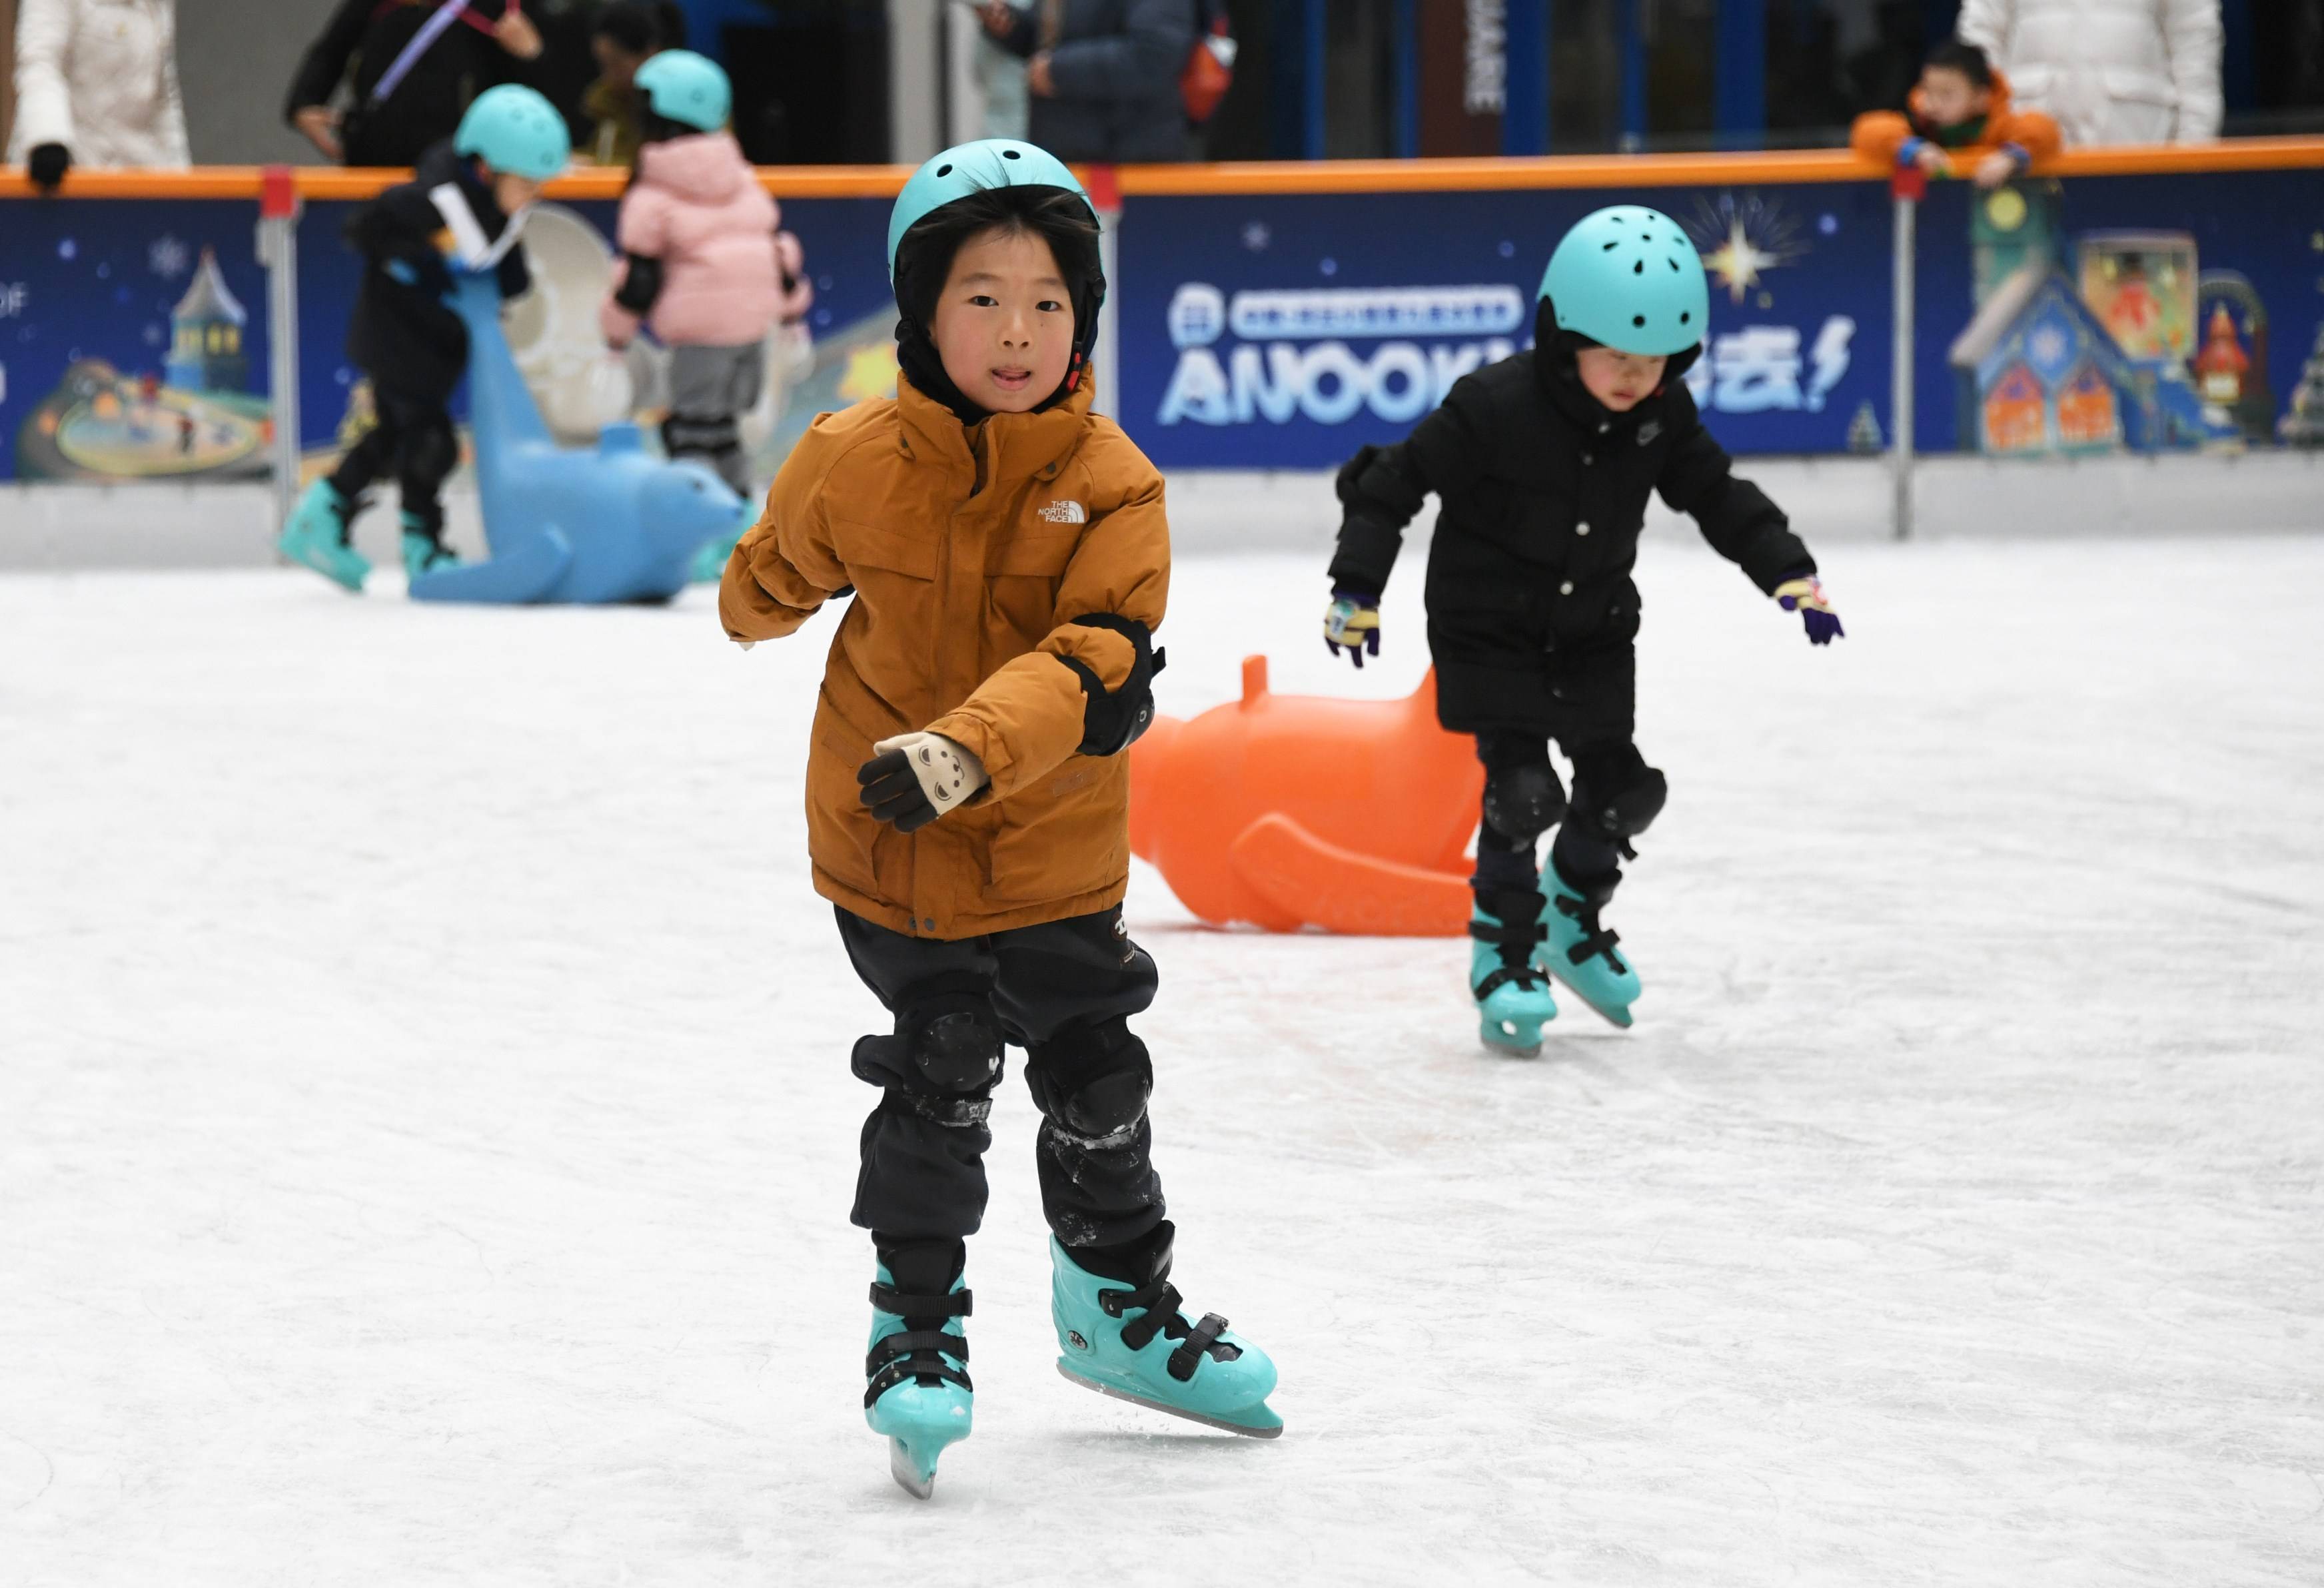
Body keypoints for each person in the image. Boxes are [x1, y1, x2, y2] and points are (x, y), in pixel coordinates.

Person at [717, 138, 1281, 1498]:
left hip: (1048, 840)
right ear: (922, 312)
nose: (1017, 331)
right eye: (980, 298)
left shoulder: (1116, 482)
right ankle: (915, 1331)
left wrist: (969, 753)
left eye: (1046, 302)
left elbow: (1097, 657)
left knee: (1096, 1074)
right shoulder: (854, 456)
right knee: (946, 1054)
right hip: (890, 845)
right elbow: (765, 586)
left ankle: (1116, 1311)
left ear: (1082, 317)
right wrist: (765, 580)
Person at [1323, 206, 1844, 1054]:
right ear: (1563, 333)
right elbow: (1391, 482)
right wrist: (1355, 586)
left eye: (1654, 362)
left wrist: (1785, 567)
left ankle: (1571, 918)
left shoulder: (1659, 416)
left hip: (1591, 629)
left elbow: (1717, 495)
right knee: (1524, 793)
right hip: (1487, 629)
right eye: (1616, 357)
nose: (1634, 378)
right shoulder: (1493, 405)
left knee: (1623, 793)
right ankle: (1505, 951)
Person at [277, 85, 570, 592]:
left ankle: (321, 517)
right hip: (397, 342)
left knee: (393, 440)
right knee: (429, 443)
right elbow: (363, 229)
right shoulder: (432, 201)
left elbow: (509, 275)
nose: (535, 196)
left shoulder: (499, 211)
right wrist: (422, 265)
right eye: (528, 183)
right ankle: (424, 548)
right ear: (486, 168)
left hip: (434, 349)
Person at [598, 50, 808, 576]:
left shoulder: (653, 188)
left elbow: (639, 280)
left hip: (697, 333)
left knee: (690, 433)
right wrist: (791, 316)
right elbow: (778, 252)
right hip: (751, 331)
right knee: (725, 432)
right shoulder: (741, 174)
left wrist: (614, 337)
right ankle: (743, 529)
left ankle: (695, 538)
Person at [285, 0, 546, 168]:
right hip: (374, 156)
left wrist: (533, 57)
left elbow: (526, 96)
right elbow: (332, 50)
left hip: (456, 164)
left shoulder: (500, 8)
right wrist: (304, 103)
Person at [1956, 0, 2221, 145]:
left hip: (2142, 140)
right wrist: (1990, 136)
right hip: (2028, 148)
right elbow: (1981, 41)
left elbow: (2195, 45)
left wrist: (2195, 146)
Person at [975, 0, 1195, 163]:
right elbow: (1052, 37)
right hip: (1070, 155)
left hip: (1127, 160)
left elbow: (1153, 55)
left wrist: (1058, 71)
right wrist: (1010, 27)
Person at [8, 0, 188, 193]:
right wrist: (48, 141)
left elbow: (163, 98)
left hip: (139, 183)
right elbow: (41, 64)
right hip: (64, 177)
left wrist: (182, 178)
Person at [1852, 39, 2063, 190]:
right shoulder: (1920, 125)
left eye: (1946, 94)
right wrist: (1914, 150)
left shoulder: (1999, 126)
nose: (1934, 103)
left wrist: (2010, 158)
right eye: (1928, 91)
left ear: (1981, 98)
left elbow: (2044, 128)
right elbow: (1868, 129)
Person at [580, 0, 684, 167]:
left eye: (616, 64)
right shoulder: (607, 104)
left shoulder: (686, 109)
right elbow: (600, 156)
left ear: (650, 52)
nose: (608, 77)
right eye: (602, 65)